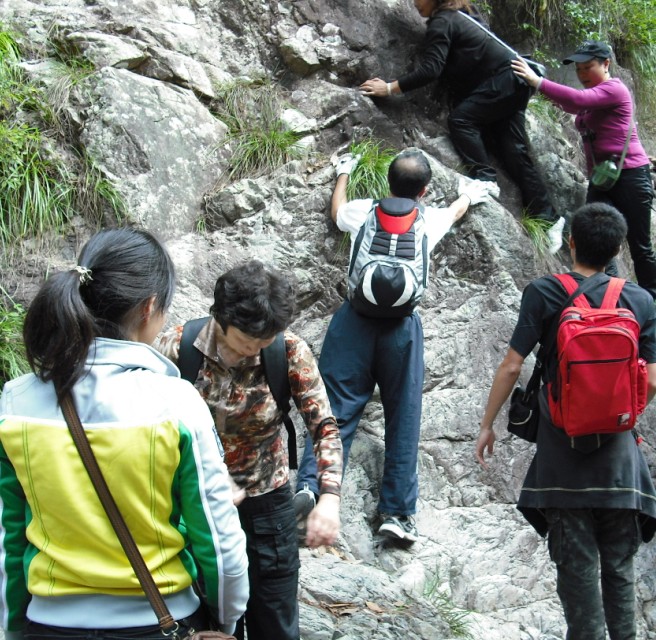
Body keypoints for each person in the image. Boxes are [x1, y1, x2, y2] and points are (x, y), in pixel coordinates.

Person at [0, 228, 249, 640]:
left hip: (49, 624)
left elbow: (8, 539)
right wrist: (226, 619)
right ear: (150, 307)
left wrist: (11, 629)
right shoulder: (177, 404)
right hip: (159, 621)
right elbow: (219, 542)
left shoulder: (15, 403)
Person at [475, 203, 656, 639]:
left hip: (563, 461)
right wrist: (620, 414)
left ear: (570, 241)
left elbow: (512, 366)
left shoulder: (544, 292)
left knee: (577, 574)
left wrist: (488, 423)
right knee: (619, 569)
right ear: (617, 249)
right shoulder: (641, 300)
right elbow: (650, 380)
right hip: (619, 463)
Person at [294, 148, 489, 544]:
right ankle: (396, 515)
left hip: (353, 322)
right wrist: (470, 194)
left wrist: (344, 172)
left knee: (336, 409)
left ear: (388, 182)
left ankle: (311, 487)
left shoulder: (365, 211)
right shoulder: (430, 218)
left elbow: (337, 211)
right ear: (425, 190)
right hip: (401, 329)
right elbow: (454, 213)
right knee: (403, 418)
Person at [156, 260, 342, 640]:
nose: (254, 350)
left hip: (266, 506)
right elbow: (147, 429)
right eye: (246, 342)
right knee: (202, 620)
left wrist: (330, 498)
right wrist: (207, 477)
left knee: (274, 619)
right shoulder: (177, 349)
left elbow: (324, 426)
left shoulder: (287, 352)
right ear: (220, 319)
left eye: (264, 341)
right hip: (195, 506)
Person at [359, 0, 564, 254]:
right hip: (515, 80)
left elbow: (431, 69)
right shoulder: (462, 15)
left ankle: (485, 180)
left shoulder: (443, 21)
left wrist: (389, 88)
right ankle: (551, 219)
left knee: (461, 120)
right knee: (512, 151)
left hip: (505, 80)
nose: (414, 2)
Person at [512, 41, 656, 299]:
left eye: (588, 67)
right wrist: (538, 83)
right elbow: (571, 104)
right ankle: (608, 295)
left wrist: (538, 82)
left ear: (606, 64)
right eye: (578, 69)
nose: (582, 74)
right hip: (603, 180)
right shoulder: (596, 97)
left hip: (631, 175)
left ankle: (651, 300)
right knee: (592, 236)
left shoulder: (614, 89)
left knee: (639, 245)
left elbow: (577, 100)